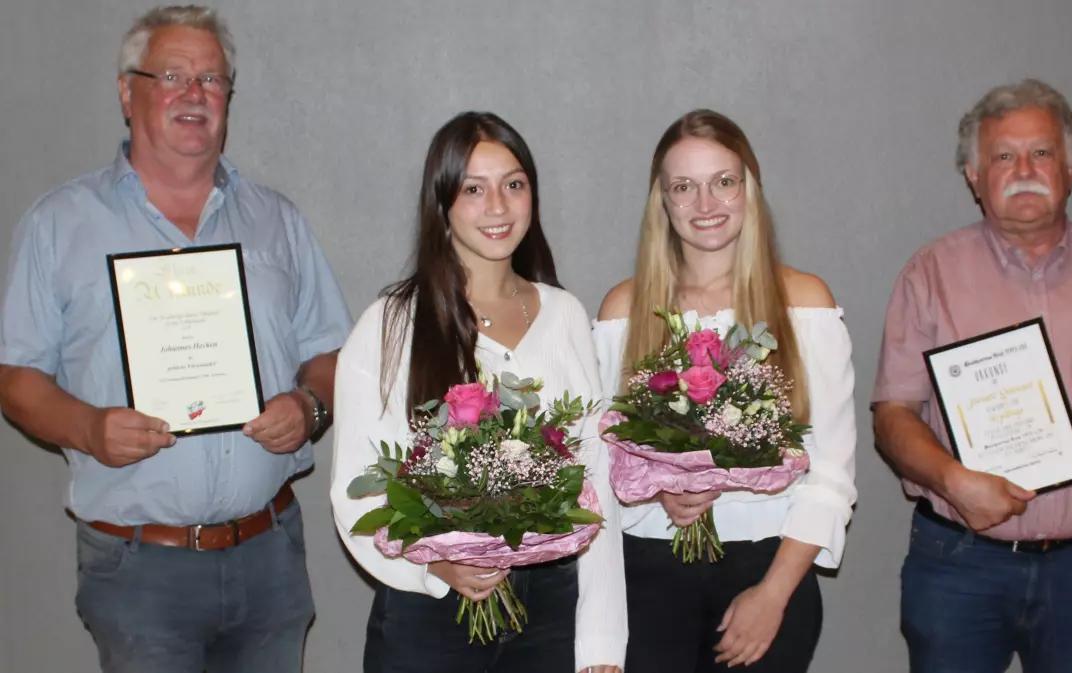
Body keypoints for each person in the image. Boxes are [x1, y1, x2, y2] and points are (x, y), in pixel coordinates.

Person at [0, 5, 351, 672]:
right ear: (125, 92)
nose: (195, 93)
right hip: (139, 569)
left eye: (212, 79)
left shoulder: (277, 220)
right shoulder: (59, 224)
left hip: (269, 554)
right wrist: (89, 427)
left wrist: (308, 406)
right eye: (172, 76)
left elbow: (333, 354)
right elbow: (16, 377)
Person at [872, 78, 1072, 673]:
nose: (1024, 170)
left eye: (1041, 152)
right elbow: (892, 415)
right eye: (1003, 156)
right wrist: (953, 480)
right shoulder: (930, 274)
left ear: (1070, 169)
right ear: (974, 176)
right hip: (958, 565)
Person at [330, 111, 626, 673]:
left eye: (513, 185)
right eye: (473, 189)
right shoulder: (390, 324)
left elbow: (596, 482)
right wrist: (433, 566)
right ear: (441, 203)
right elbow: (356, 487)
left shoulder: (565, 314)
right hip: (431, 615)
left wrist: (602, 641)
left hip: (550, 610)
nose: (498, 206)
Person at [595, 109, 857, 672]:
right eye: (683, 187)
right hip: (646, 577)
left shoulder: (804, 303)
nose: (705, 203)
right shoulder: (624, 310)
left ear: (749, 188)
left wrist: (773, 595)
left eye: (723, 181)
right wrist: (656, 489)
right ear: (662, 201)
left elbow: (832, 472)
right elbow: (600, 457)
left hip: (767, 573)